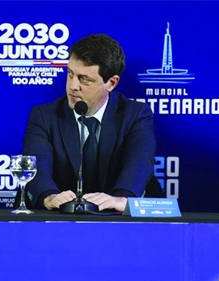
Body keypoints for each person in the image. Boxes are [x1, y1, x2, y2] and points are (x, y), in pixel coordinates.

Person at [22, 34, 156, 212]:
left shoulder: (135, 115)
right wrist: (49, 196)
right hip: (59, 221)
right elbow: (38, 166)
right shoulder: (44, 116)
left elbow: (139, 162)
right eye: (70, 74)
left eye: (84, 79)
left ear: (112, 83)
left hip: (116, 223)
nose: (73, 86)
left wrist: (121, 199)